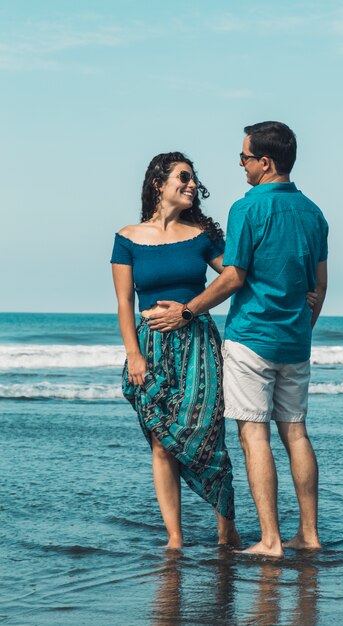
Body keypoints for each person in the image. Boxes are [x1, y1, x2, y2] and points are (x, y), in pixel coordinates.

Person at [147, 122, 329, 558]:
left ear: (265, 162)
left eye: (245, 158)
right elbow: (319, 286)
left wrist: (187, 310)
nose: (242, 165)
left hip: (252, 339)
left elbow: (233, 277)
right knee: (297, 435)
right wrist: (303, 327)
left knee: (254, 437)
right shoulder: (314, 213)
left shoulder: (247, 208)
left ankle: (269, 541)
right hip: (295, 342)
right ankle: (309, 535)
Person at [111, 151, 240, 550]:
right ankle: (175, 538)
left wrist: (190, 311)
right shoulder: (127, 238)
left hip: (198, 344)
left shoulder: (202, 235)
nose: (191, 185)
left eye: (192, 179)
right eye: (182, 178)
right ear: (158, 183)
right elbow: (123, 303)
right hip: (149, 343)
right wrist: (134, 354)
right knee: (161, 441)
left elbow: (234, 277)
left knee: (208, 437)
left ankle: (226, 530)